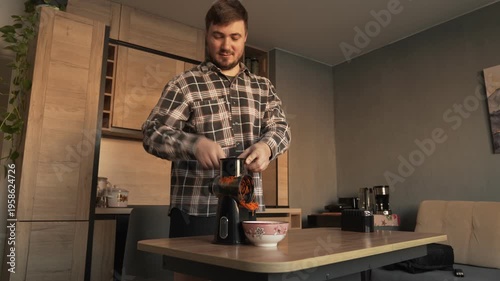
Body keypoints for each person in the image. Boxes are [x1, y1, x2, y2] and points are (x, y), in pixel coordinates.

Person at [142, 0, 291, 279]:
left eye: (235, 37)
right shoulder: (184, 84)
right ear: (207, 35)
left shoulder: (263, 88)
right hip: (195, 215)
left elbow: (281, 129)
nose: (226, 46)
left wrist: (266, 147)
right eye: (218, 36)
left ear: (245, 36)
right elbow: (152, 133)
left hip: (248, 212)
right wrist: (194, 144)